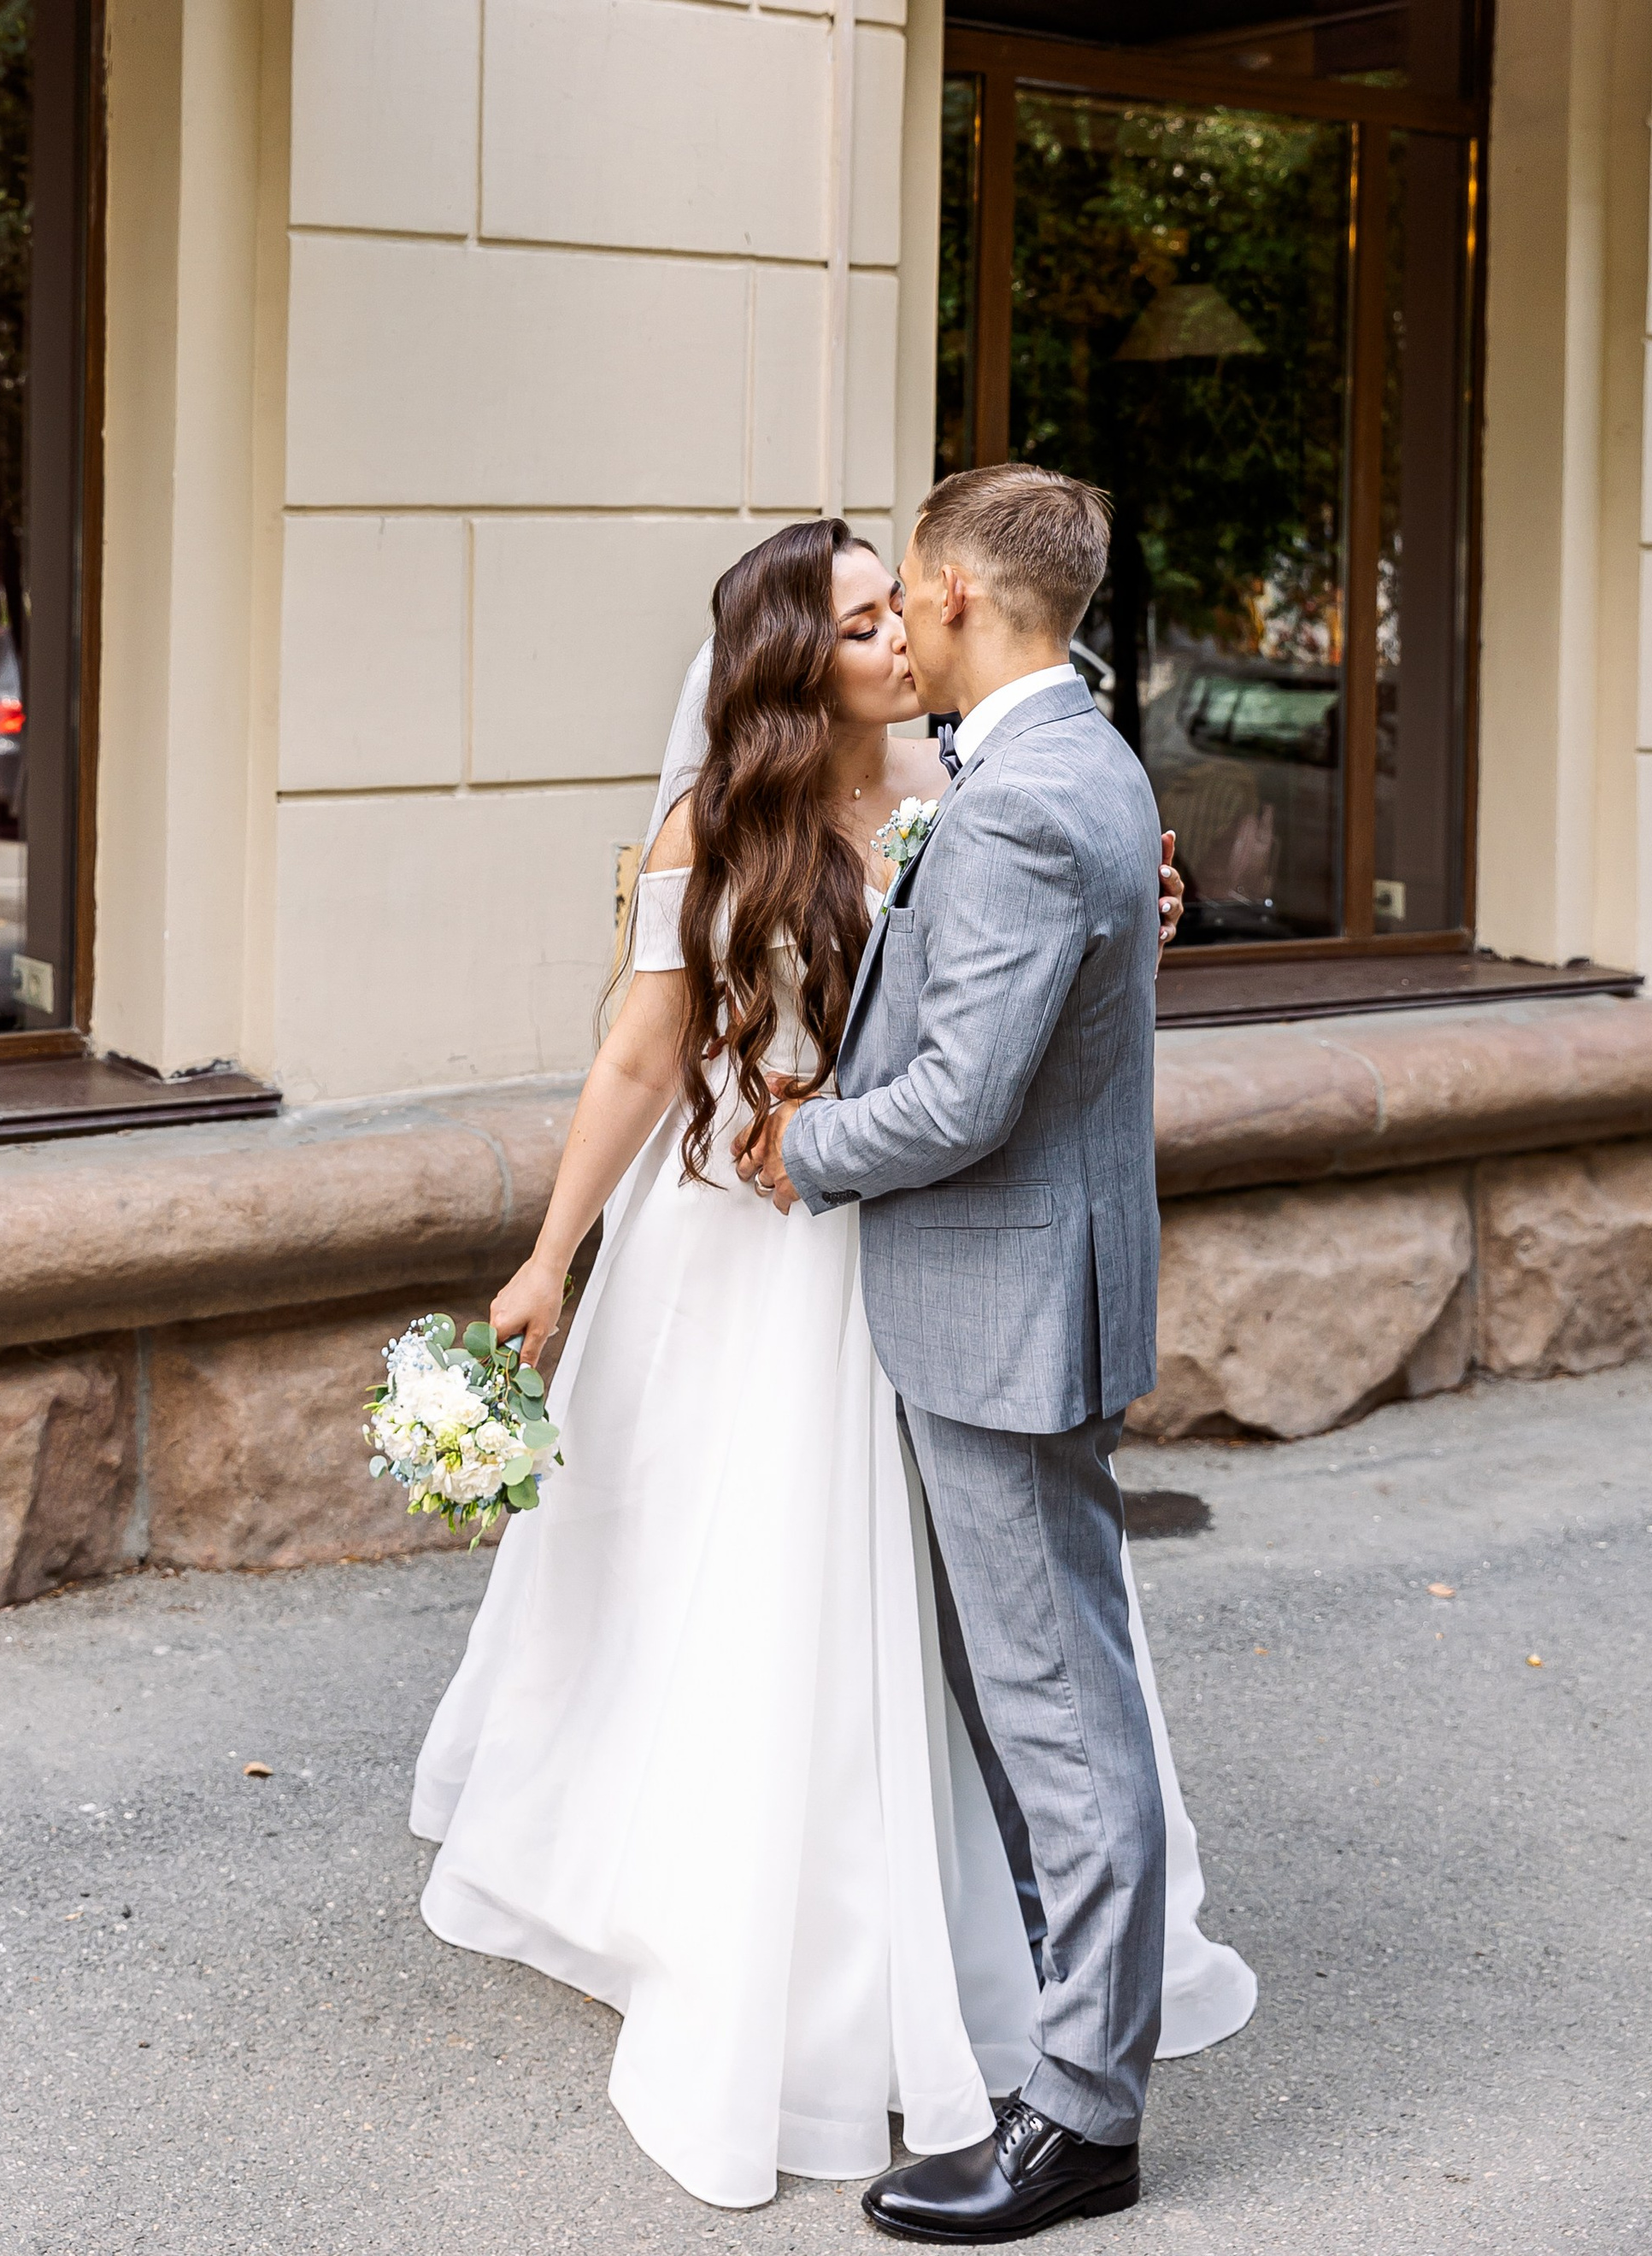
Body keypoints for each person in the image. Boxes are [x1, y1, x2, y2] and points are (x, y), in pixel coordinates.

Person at [411, 505, 1251, 2218]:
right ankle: (749, 1935)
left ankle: (981, 1964)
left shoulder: (971, 800)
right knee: (759, 1601)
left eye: (897, 611)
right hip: (746, 1255)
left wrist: (1127, 906)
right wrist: (547, 1252)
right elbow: (641, 1067)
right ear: (798, 661)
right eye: (859, 622)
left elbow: (993, 1017)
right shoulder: (705, 838)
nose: (892, 641)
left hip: (897, 1242)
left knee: (954, 1629)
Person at [742, 465, 1172, 2241]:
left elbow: (962, 1098)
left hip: (998, 1303)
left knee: (1055, 1718)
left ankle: (1077, 2119)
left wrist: (802, 1151)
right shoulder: (1067, 757)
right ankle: (1058, 2042)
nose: (899, 620)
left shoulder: (1011, 801)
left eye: (908, 593)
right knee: (1038, 1700)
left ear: (959, 602)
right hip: (1022, 1289)